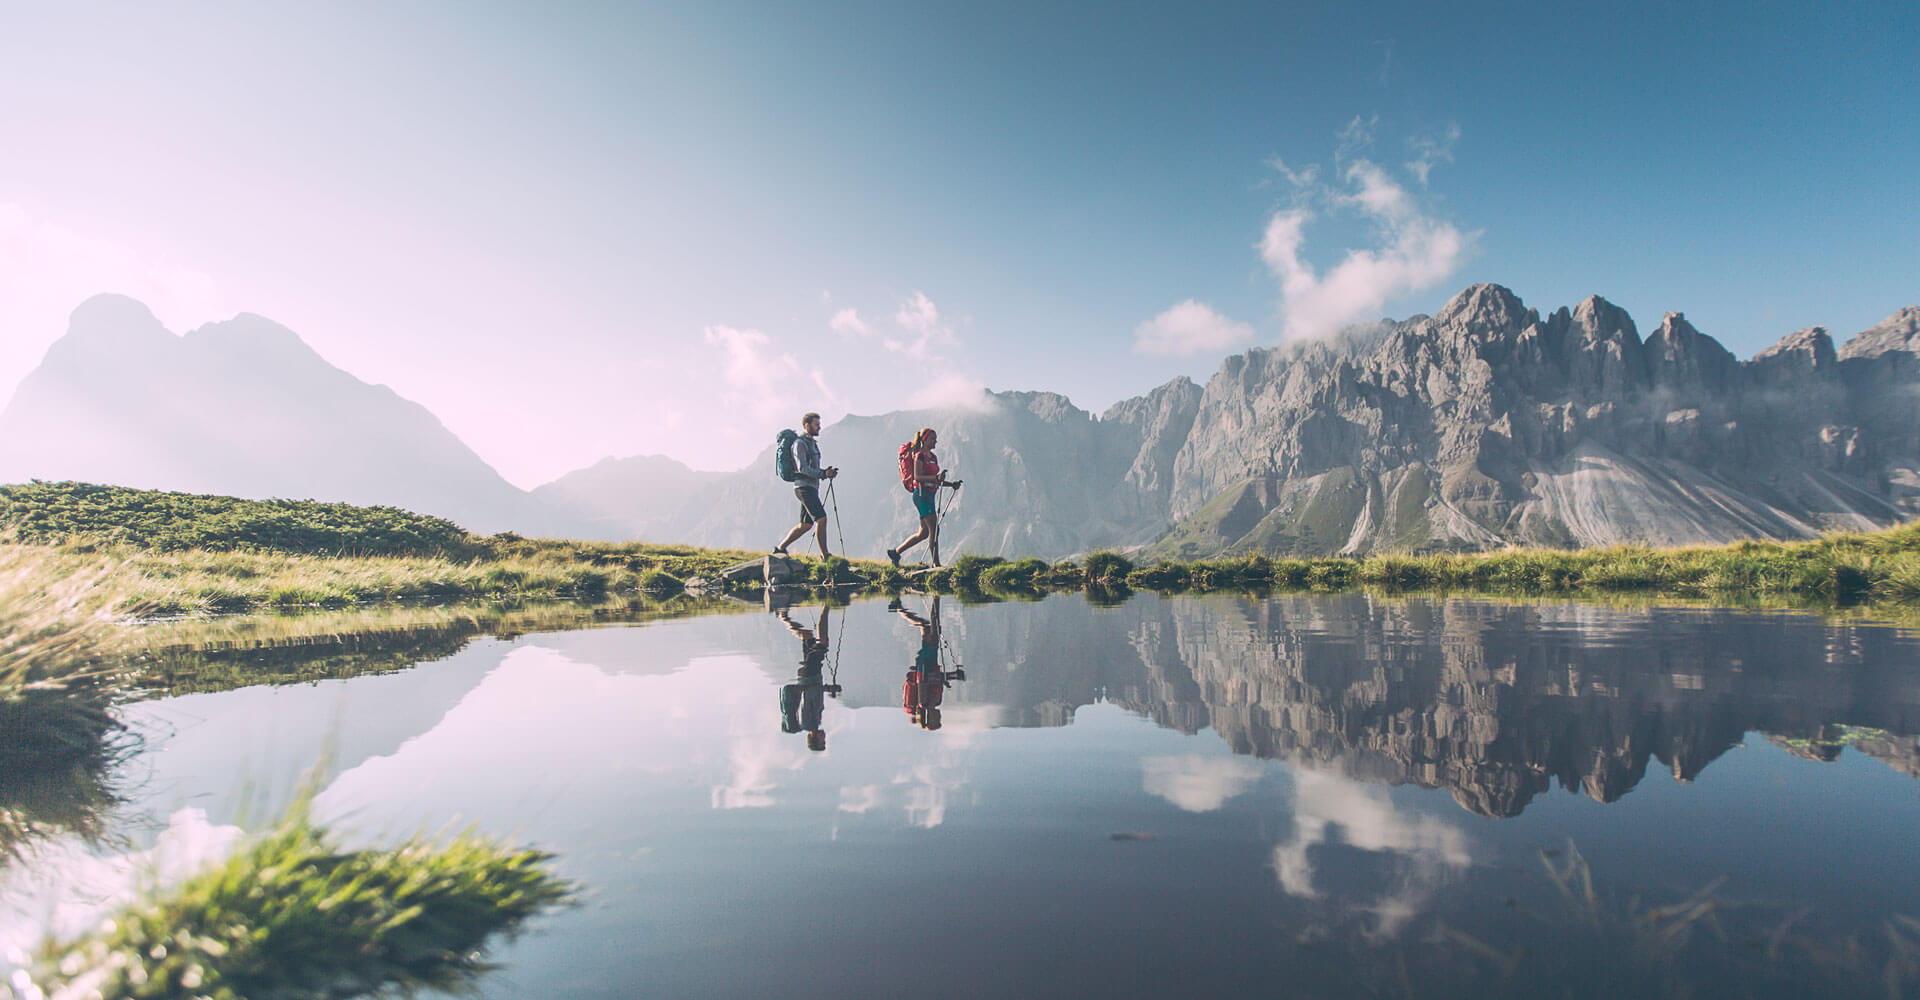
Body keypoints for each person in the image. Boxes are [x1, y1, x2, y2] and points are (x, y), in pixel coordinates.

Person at [886, 427, 961, 568]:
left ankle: (895, 552)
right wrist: (936, 477)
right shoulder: (919, 455)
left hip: (929, 494)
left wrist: (951, 484)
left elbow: (935, 480)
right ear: (925, 439)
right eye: (933, 438)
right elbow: (917, 477)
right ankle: (936, 564)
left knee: (924, 533)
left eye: (936, 439)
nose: (936, 441)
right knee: (934, 528)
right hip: (921, 495)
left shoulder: (933, 457)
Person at [890, 595, 963, 731]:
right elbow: (937, 681)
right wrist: (949, 677)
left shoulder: (923, 703)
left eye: (937, 720)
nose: (940, 717)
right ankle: (899, 608)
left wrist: (952, 675)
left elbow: (922, 681)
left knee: (933, 629)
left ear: (930, 718)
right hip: (931, 664)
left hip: (925, 665)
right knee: (927, 627)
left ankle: (936, 597)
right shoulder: (936, 702)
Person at [774, 412, 838, 558]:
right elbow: (802, 468)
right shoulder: (799, 444)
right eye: (816, 425)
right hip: (803, 488)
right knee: (821, 518)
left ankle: (780, 548)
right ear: (807, 425)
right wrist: (823, 474)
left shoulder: (812, 444)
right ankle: (825, 555)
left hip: (811, 487)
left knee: (806, 525)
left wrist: (826, 472)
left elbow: (812, 468)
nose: (819, 427)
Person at [777, 605, 838, 751]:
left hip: (811, 674)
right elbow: (812, 696)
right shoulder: (812, 723)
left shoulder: (810, 723)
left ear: (815, 739)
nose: (825, 738)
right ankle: (783, 617)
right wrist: (826, 689)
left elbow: (808, 695)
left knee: (823, 643)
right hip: (807, 675)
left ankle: (827, 605)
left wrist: (827, 688)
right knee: (808, 636)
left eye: (823, 741)